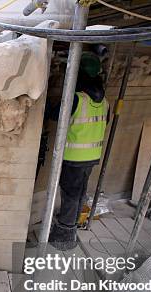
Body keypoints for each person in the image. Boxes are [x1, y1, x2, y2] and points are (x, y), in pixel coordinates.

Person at [47, 61, 109, 250]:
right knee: (79, 192)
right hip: (91, 156)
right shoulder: (104, 102)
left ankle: (64, 234)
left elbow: (54, 114)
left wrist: (46, 96)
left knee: (71, 194)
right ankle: (71, 226)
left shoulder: (77, 99)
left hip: (74, 157)